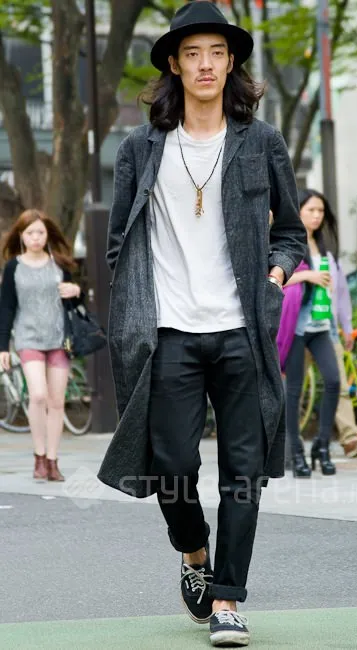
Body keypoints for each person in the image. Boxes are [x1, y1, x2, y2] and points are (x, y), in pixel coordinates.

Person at [97, 2, 307, 646]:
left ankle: (227, 599)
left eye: (216, 52)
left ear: (231, 60)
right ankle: (193, 553)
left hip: (241, 330)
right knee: (170, 462)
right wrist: (138, 301)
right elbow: (119, 240)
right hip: (169, 333)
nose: (206, 64)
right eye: (192, 53)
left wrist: (274, 280)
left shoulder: (261, 141)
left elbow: (291, 232)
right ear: (174, 64)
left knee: (244, 470)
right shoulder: (141, 147)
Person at [0, 209, 81, 482]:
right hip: (28, 338)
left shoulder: (59, 264)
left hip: (59, 339)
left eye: (40, 232)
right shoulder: (13, 267)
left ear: (47, 235)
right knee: (38, 395)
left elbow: (74, 304)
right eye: (30, 233)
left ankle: (52, 461)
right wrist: (2, 347)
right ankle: (39, 454)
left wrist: (76, 292)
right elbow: (6, 308)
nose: (35, 237)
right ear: (21, 236)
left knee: (57, 401)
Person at [278, 189, 341, 478]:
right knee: (294, 391)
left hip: (320, 324)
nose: (317, 216)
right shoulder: (288, 241)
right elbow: (273, 276)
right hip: (296, 326)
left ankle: (322, 446)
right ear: (298, 211)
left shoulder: (324, 245)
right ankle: (296, 453)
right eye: (311, 210)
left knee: (333, 381)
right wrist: (307, 275)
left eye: (321, 211)